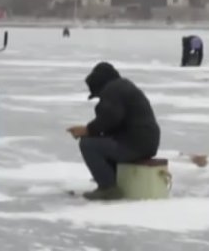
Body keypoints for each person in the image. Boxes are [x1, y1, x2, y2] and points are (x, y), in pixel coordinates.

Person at [67, 62, 161, 200]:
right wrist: (92, 130)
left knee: (88, 144)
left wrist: (88, 130)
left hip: (134, 144)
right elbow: (113, 123)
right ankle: (111, 178)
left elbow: (110, 118)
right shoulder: (122, 86)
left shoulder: (113, 89)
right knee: (100, 141)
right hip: (145, 142)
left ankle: (108, 188)